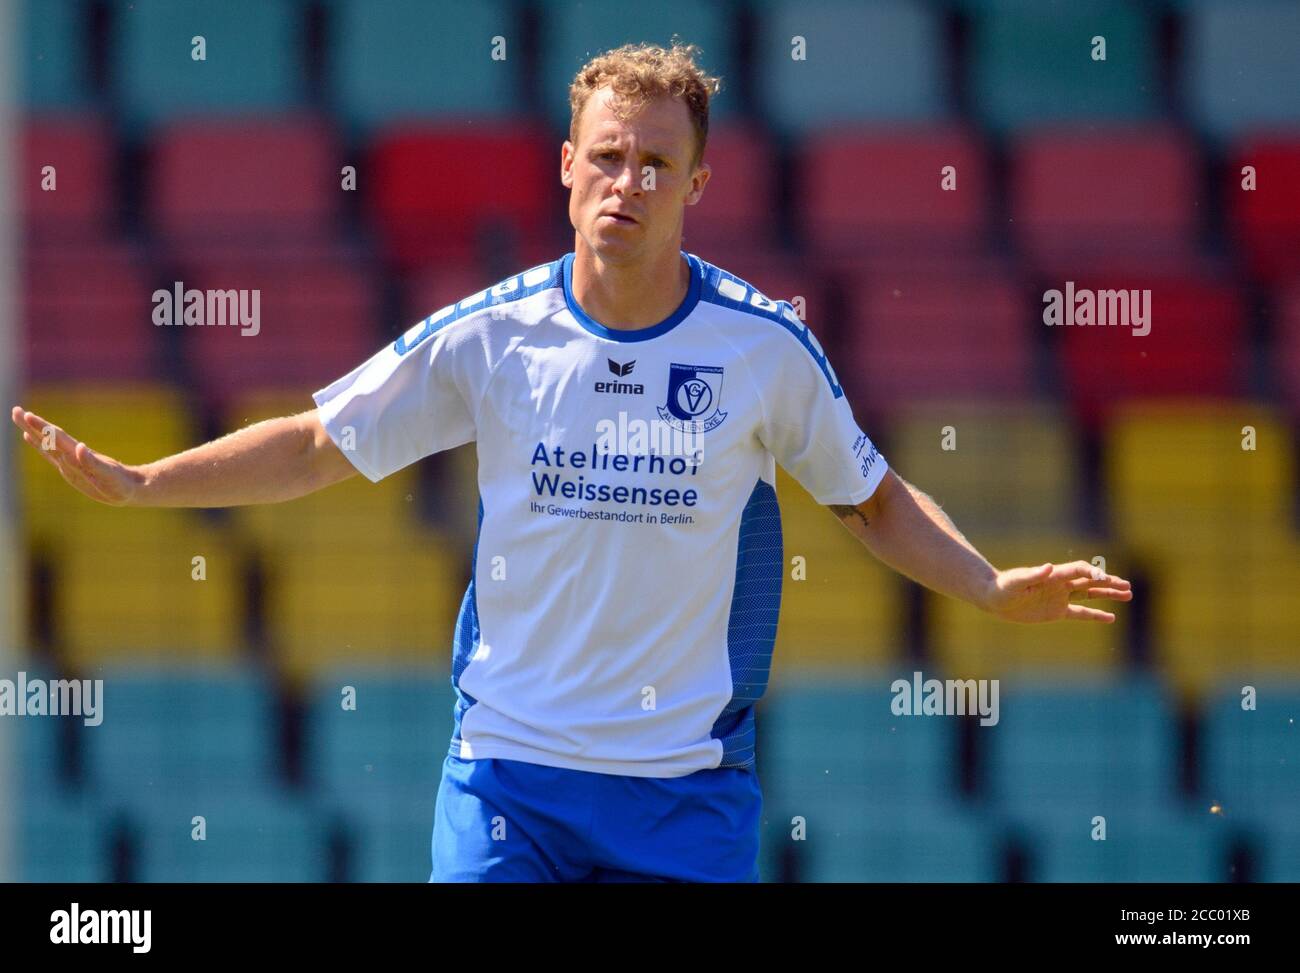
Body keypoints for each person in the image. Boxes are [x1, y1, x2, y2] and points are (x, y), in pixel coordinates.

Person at [11, 42, 1132, 882]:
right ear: (565, 165)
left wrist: (986, 582)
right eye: (606, 157)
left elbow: (871, 503)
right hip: (509, 777)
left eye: (656, 163)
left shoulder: (763, 349)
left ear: (696, 185)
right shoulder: (494, 335)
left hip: (684, 794)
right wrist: (150, 483)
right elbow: (316, 443)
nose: (626, 183)